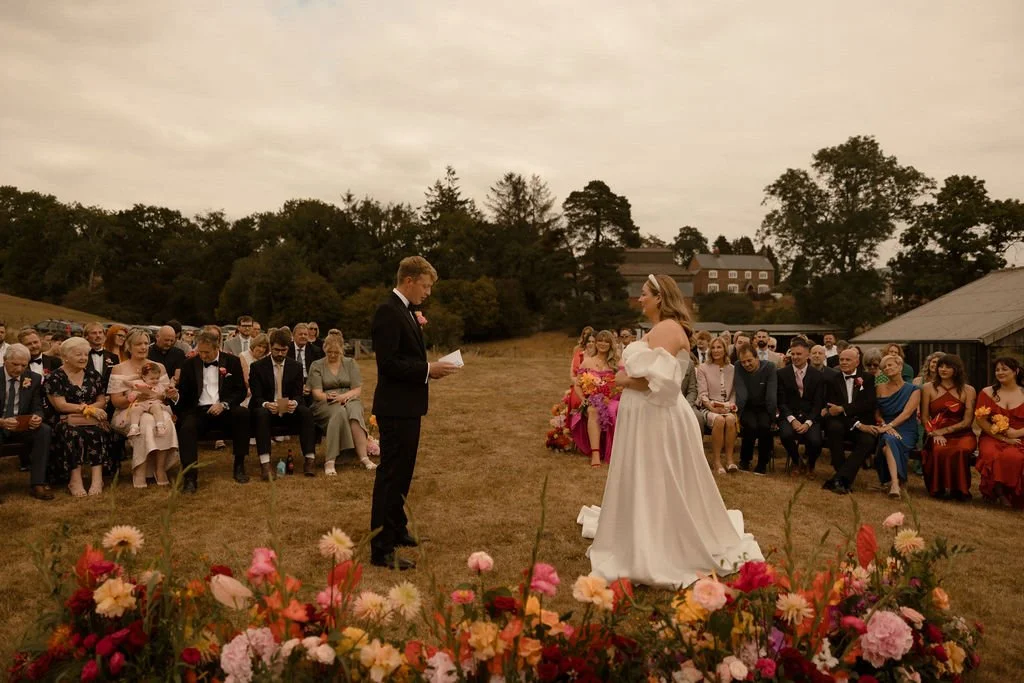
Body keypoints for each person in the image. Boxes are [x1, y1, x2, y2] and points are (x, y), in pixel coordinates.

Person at [581, 273, 762, 588]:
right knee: (650, 476)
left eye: (644, 294)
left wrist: (620, 380)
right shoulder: (661, 328)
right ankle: (645, 528)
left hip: (657, 416)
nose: (640, 299)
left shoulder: (666, 328)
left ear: (660, 297)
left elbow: (660, 382)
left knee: (656, 476)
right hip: (649, 414)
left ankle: (657, 541)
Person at [370, 256, 459, 570]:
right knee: (391, 476)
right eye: (425, 285)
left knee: (403, 473)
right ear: (408, 280)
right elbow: (389, 364)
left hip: (407, 406)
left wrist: (428, 370)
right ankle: (380, 548)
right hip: (394, 407)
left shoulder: (405, 311)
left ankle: (396, 529)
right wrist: (427, 369)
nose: (428, 293)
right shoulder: (388, 312)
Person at [174, 329, 251, 493]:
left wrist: (224, 404)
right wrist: (175, 398)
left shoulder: (232, 362)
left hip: (224, 409)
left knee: (243, 415)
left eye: (206, 352)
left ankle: (239, 465)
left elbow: (240, 391)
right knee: (187, 428)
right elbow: (185, 395)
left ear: (217, 348)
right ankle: (190, 477)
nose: (202, 356)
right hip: (199, 410)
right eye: (199, 352)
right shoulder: (189, 365)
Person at [107, 329, 180, 488]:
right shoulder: (118, 369)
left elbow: (165, 395)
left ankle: (160, 469)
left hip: (157, 408)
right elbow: (116, 402)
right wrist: (134, 397)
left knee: (165, 421)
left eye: (146, 343)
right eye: (138, 344)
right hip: (128, 412)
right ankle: (140, 469)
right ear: (128, 346)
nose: (143, 347)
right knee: (146, 422)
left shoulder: (157, 366)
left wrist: (166, 394)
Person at [44, 337, 113, 496]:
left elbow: (101, 401)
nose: (83, 358)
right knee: (73, 433)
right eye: (78, 354)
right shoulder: (55, 377)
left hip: (91, 419)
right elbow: (60, 406)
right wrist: (88, 409)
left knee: (97, 431)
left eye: (85, 354)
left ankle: (97, 479)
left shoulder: (93, 375)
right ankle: (75, 480)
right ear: (66, 356)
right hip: (65, 420)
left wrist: (91, 411)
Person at [249, 328, 317, 480]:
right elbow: (257, 396)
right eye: (276, 350)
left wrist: (294, 402)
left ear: (288, 348)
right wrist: (267, 404)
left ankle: (310, 458)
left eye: (284, 350)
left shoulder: (296, 367)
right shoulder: (258, 367)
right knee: (261, 413)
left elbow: (298, 394)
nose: (280, 354)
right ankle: (265, 464)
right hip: (267, 410)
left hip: (288, 410)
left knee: (306, 412)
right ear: (270, 347)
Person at [309, 333, 375, 474]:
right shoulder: (316, 365)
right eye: (329, 352)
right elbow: (316, 393)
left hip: (349, 397)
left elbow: (357, 389)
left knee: (354, 411)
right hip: (325, 401)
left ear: (342, 351)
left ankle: (363, 457)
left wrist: (344, 397)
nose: (332, 355)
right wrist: (327, 396)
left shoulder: (350, 363)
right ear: (324, 349)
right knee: (339, 413)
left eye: (336, 352)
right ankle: (330, 460)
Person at [0, 343, 54, 501]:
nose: (19, 369)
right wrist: (2, 422)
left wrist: (38, 417)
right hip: (1, 423)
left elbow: (37, 406)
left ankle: (38, 483)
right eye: (15, 364)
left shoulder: (33, 378)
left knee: (43, 431)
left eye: (23, 365)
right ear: (4, 360)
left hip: (20, 426)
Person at [821, 348, 878, 495]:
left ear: (857, 362)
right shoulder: (833, 380)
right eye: (842, 360)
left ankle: (839, 479)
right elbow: (833, 410)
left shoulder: (868, 379)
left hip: (863, 422)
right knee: (833, 428)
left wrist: (843, 408)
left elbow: (869, 404)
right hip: (842, 422)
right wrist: (855, 422)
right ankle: (842, 478)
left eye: (848, 360)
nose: (844, 362)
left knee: (868, 441)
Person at [921, 354, 977, 500]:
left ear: (957, 369)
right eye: (941, 366)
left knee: (961, 450)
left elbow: (967, 421)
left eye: (948, 367)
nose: (943, 369)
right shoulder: (928, 388)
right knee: (939, 449)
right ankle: (938, 489)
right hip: (935, 432)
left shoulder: (968, 390)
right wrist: (934, 433)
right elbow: (925, 417)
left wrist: (944, 431)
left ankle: (960, 490)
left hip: (962, 433)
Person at [974, 357, 1024, 508]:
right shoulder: (987, 393)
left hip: (1020, 435)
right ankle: (999, 492)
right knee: (992, 454)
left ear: (1015, 371)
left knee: (1014, 456)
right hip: (992, 436)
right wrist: (1002, 437)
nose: (1000, 372)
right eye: (997, 370)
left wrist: (1016, 433)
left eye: (1004, 369)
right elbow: (981, 421)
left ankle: (1013, 493)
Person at [571, 330, 621, 467]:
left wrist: (611, 394)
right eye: (600, 340)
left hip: (613, 399)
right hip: (593, 399)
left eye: (606, 341)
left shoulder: (616, 363)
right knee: (593, 410)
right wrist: (583, 399)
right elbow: (577, 385)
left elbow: (622, 383)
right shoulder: (587, 362)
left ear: (611, 344)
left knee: (615, 409)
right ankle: (595, 454)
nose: (602, 344)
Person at [873, 354, 920, 498]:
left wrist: (891, 426)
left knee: (888, 442)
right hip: (885, 426)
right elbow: (877, 413)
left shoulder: (914, 389)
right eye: (884, 367)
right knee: (889, 440)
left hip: (906, 428)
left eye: (890, 365)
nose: (887, 368)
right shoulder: (880, 388)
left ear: (900, 366)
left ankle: (894, 483)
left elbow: (907, 414)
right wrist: (886, 426)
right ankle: (896, 484)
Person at [777, 337, 825, 476]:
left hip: (811, 416)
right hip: (789, 415)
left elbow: (818, 403)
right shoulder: (782, 374)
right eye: (793, 354)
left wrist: (808, 423)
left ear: (807, 355)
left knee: (816, 441)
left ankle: (811, 464)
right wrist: (792, 420)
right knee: (785, 435)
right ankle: (797, 461)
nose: (795, 357)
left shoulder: (817, 376)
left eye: (799, 354)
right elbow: (781, 401)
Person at [697, 336, 738, 473]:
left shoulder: (732, 368)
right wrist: (712, 408)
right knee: (719, 420)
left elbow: (733, 392)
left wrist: (729, 406)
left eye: (719, 347)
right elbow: (702, 394)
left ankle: (730, 460)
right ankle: (716, 461)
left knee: (731, 419)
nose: (716, 350)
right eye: (713, 347)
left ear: (725, 349)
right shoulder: (703, 368)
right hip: (708, 407)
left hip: (727, 407)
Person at [734, 343, 778, 474]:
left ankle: (762, 463)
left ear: (757, 358)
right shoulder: (738, 367)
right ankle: (745, 460)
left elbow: (771, 394)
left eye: (749, 360)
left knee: (765, 426)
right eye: (743, 362)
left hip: (764, 406)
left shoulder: (770, 367)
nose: (746, 364)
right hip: (747, 406)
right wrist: (738, 415)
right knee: (751, 426)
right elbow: (742, 393)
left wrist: (773, 418)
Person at [679, 349, 703, 432]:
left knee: (698, 416)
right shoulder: (661, 361)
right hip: (666, 403)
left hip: (686, 401)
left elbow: (692, 389)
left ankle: (697, 445)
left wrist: (687, 405)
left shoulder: (689, 363)